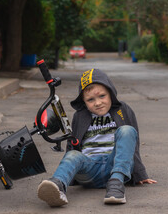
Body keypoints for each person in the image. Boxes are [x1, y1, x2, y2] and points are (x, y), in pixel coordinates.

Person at [37, 68, 157, 207]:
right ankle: (57, 185)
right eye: (90, 99)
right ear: (83, 101)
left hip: (116, 165)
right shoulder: (80, 116)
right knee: (72, 155)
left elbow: (132, 145)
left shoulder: (123, 109)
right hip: (90, 169)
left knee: (127, 131)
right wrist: (70, 177)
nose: (98, 103)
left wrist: (140, 174)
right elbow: (72, 145)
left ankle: (116, 185)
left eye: (102, 96)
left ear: (110, 93)